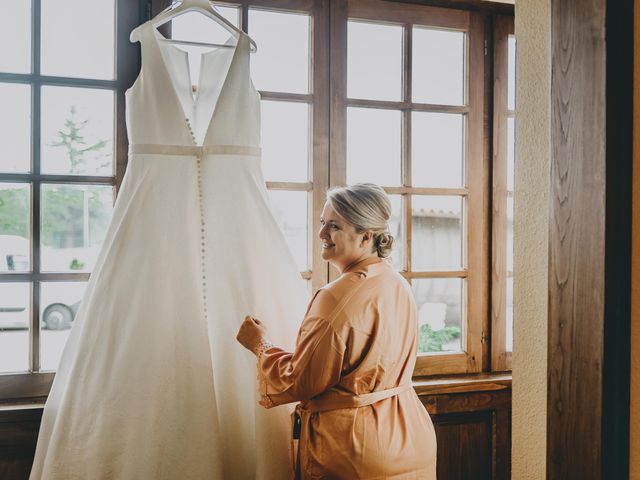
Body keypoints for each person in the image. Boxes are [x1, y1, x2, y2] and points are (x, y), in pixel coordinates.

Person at [237, 183, 437, 479]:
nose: (321, 235)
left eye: (334, 226)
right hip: (409, 435)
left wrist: (260, 345)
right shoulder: (397, 283)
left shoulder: (335, 296)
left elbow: (302, 380)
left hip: (355, 447)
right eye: (322, 223)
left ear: (366, 236)